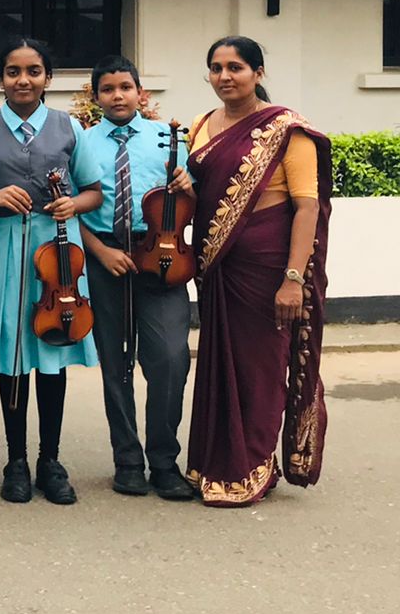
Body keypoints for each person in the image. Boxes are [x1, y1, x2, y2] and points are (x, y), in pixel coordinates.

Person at [185, 36, 331, 508]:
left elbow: (306, 208)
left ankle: (253, 466)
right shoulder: (201, 125)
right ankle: (213, 463)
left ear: (258, 74)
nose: (225, 76)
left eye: (236, 67)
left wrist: (293, 279)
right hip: (216, 266)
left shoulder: (288, 130)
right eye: (216, 68)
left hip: (267, 269)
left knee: (262, 367)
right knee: (219, 362)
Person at [0, 39, 103, 506]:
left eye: (34, 71)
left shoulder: (69, 128)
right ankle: (15, 460)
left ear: (48, 77)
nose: (24, 80)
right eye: (14, 72)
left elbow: (94, 191)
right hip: (6, 249)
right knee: (14, 356)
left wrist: (72, 202)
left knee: (54, 353)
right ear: (0, 78)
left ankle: (51, 460)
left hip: (60, 253)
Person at [79, 56, 197, 501]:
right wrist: (102, 251)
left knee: (170, 359)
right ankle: (127, 460)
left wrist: (188, 185)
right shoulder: (83, 143)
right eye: (107, 89)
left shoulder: (169, 138)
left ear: (140, 92)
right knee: (116, 363)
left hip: (162, 257)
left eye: (125, 87)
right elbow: (73, 208)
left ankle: (164, 461)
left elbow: (190, 204)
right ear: (96, 97)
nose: (117, 96)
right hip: (107, 256)